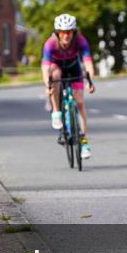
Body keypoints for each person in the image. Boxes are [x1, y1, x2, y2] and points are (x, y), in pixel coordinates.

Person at [41, 13, 97, 159]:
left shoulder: (80, 41)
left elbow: (88, 62)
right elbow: (45, 68)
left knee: (79, 103)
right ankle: (56, 113)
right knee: (55, 76)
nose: (66, 35)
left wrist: (90, 81)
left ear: (74, 32)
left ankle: (84, 141)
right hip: (56, 68)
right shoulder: (50, 44)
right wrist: (47, 85)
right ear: (57, 33)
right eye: (63, 32)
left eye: (69, 32)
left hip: (74, 68)